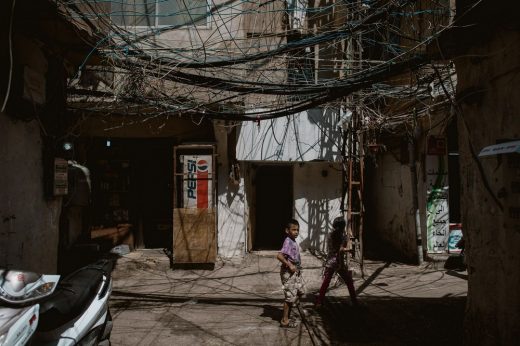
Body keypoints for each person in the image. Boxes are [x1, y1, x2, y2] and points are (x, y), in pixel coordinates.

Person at [315, 216, 358, 307]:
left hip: (330, 261)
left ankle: (319, 301)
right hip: (338, 261)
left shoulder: (330, 235)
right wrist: (348, 251)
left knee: (326, 282)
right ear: (343, 226)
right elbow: (340, 251)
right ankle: (354, 301)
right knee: (349, 282)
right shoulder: (343, 237)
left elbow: (332, 249)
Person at [277, 218, 305, 328]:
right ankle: (285, 321)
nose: (296, 232)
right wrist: (290, 265)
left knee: (297, 293)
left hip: (294, 273)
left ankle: (290, 315)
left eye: (297, 230)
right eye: (293, 230)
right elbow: (279, 256)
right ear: (287, 230)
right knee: (289, 297)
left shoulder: (292, 240)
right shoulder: (288, 241)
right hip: (288, 273)